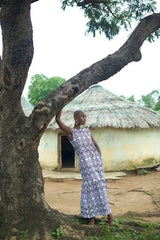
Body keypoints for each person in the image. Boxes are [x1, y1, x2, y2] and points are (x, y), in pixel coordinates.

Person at [55, 109, 113, 226]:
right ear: (76, 118)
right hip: (86, 163)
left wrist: (99, 156)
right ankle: (91, 217)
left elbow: (95, 143)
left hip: (96, 161)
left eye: (85, 116)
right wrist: (61, 106)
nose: (84, 118)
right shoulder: (71, 133)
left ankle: (109, 215)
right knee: (89, 188)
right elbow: (57, 120)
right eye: (82, 116)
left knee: (101, 185)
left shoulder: (87, 131)